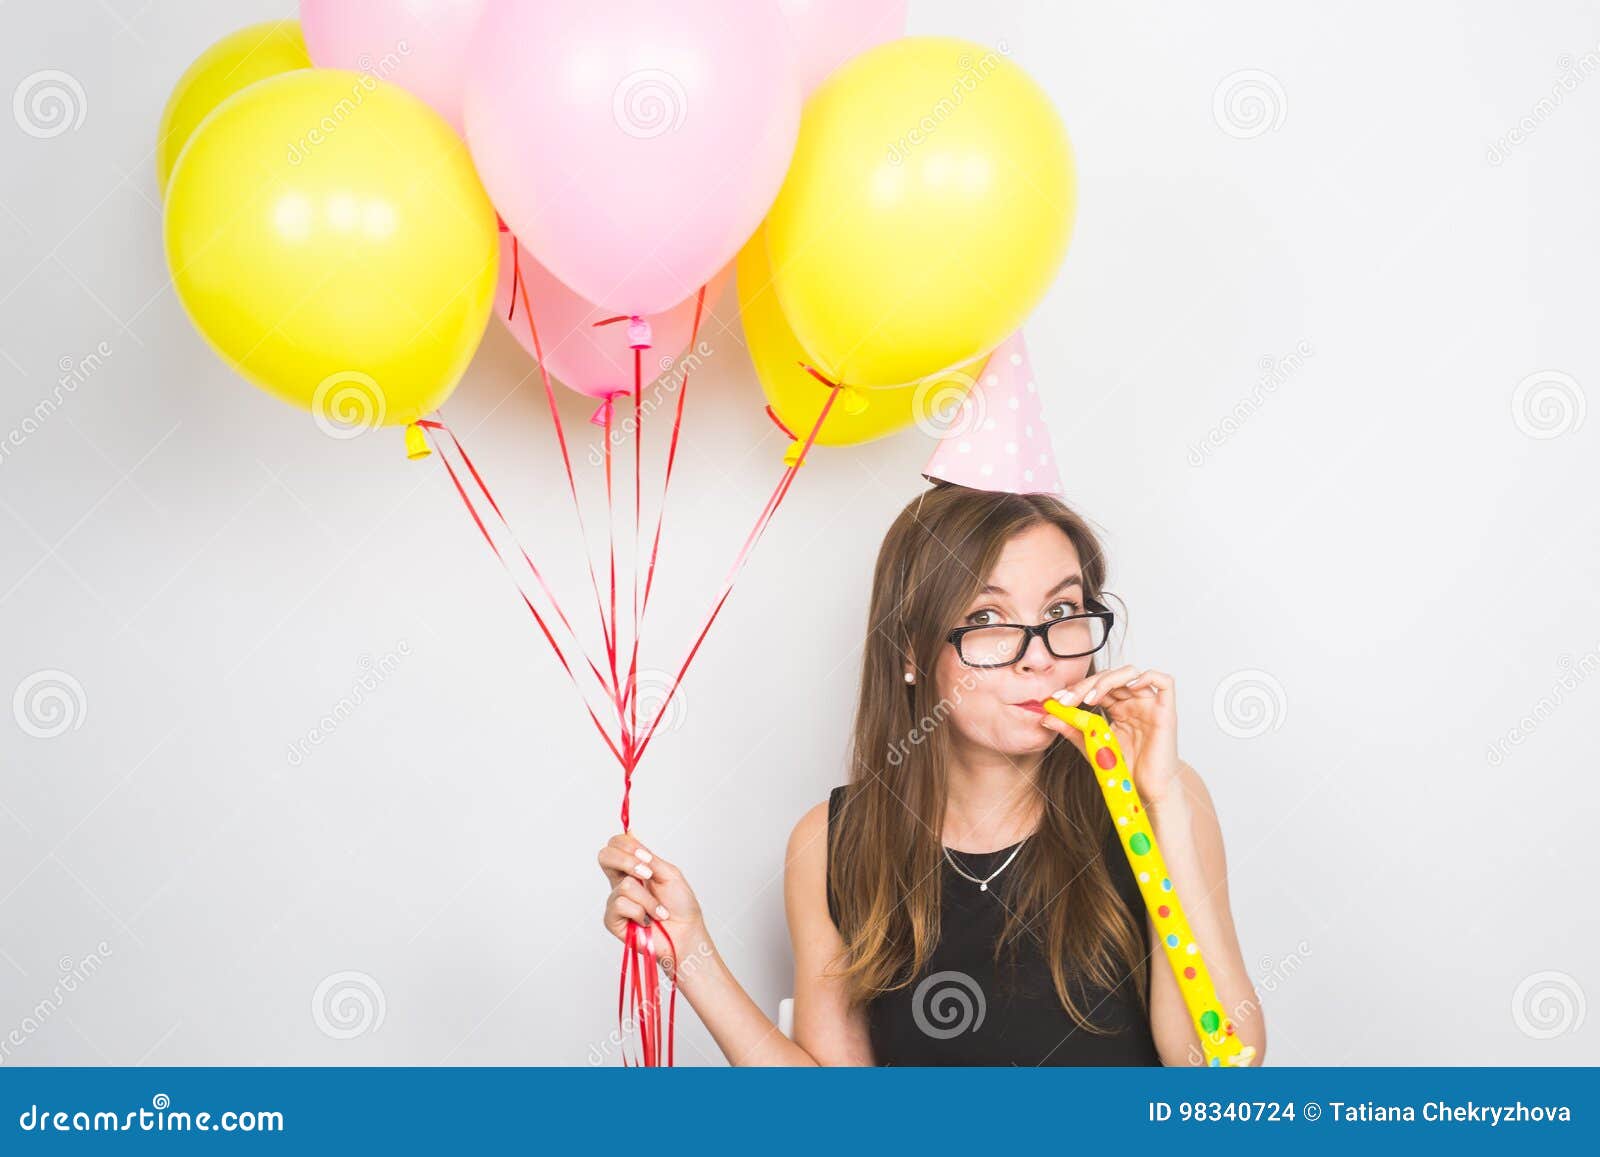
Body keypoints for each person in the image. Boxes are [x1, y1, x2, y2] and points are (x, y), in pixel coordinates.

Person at [596, 481, 1266, 1065]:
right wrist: (690, 951)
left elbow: (1217, 1065)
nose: (1039, 659)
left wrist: (1160, 803)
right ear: (913, 652)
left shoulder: (1157, 796)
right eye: (987, 618)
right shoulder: (831, 843)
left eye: (1061, 612)